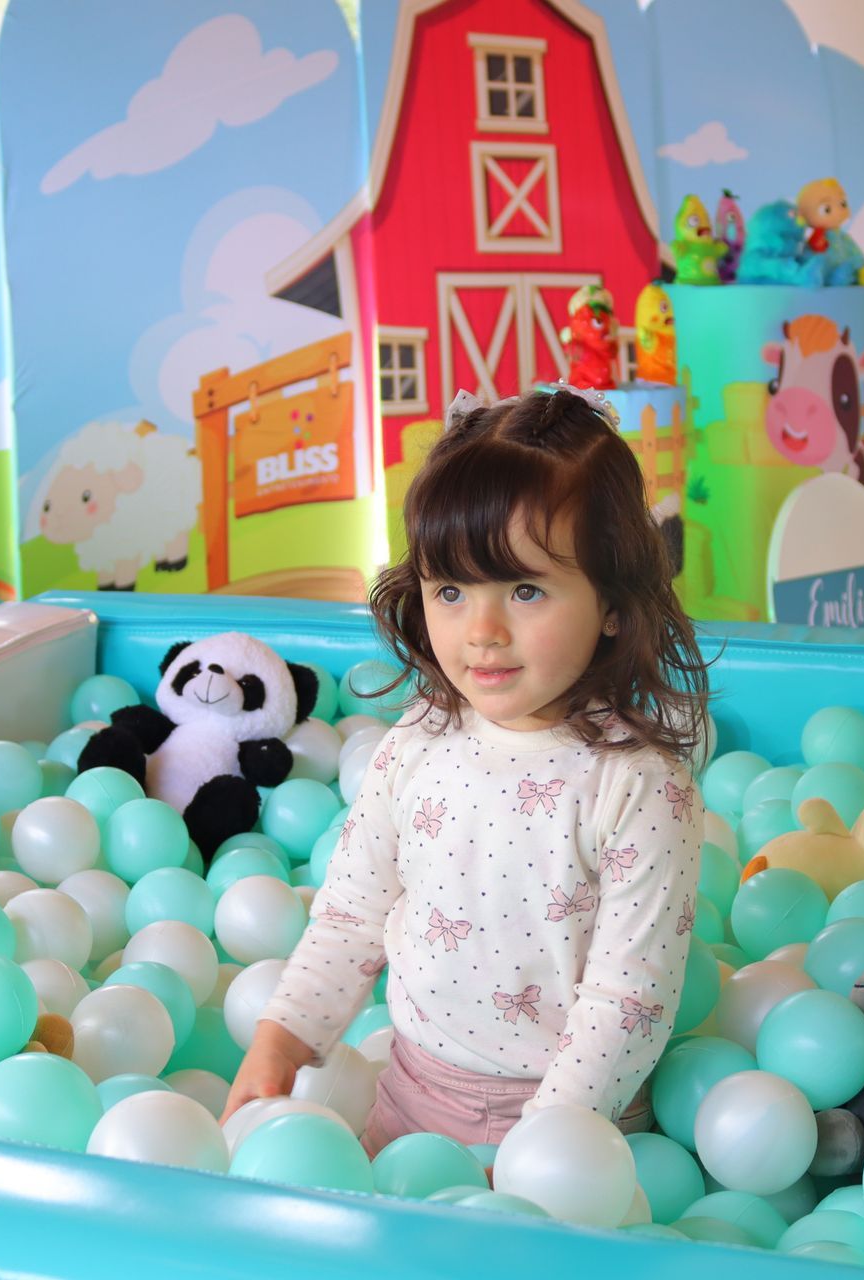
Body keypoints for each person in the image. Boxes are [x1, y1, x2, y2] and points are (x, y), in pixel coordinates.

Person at [223, 385, 712, 1153]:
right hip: (409, 1096)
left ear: (613, 603)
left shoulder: (639, 784)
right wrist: (281, 1040)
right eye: (450, 590)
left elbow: (628, 1000)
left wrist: (540, 1154)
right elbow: (353, 913)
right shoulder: (421, 740)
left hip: (572, 1125)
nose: (481, 631)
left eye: (525, 589)